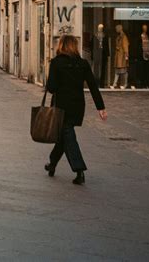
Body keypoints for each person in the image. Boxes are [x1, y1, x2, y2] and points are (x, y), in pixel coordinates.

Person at [45, 35, 107, 185]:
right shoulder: (83, 63)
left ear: (61, 45)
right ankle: (52, 164)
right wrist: (101, 107)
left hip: (61, 106)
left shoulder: (56, 63)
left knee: (68, 136)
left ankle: (79, 170)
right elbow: (93, 86)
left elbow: (51, 88)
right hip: (78, 105)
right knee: (64, 135)